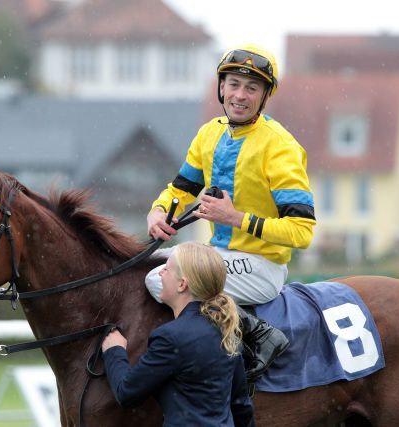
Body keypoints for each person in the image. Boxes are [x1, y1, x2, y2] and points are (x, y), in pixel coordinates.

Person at [145, 43, 316, 384]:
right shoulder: (209, 133)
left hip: (261, 267)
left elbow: (301, 232)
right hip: (219, 258)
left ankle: (260, 333)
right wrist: (159, 210)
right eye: (234, 84)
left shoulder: (279, 146)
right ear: (221, 88)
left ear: (264, 97)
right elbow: (180, 189)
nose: (240, 95)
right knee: (145, 266)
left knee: (161, 278)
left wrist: (236, 218)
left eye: (252, 88)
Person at [102, 242, 254, 427]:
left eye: (166, 269)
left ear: (182, 284)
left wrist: (114, 351)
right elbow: (241, 406)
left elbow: (126, 393)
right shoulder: (226, 329)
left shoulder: (170, 337)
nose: (160, 273)